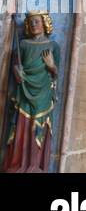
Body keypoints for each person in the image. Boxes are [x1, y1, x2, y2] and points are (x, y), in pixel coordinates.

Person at [3, 12, 59, 172]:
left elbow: (56, 74)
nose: (34, 24)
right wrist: (17, 72)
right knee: (22, 125)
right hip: (24, 91)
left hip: (43, 93)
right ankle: (18, 164)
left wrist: (51, 66)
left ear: (44, 23)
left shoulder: (53, 46)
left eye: (37, 21)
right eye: (30, 22)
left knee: (37, 126)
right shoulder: (23, 45)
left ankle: (35, 165)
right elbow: (15, 66)